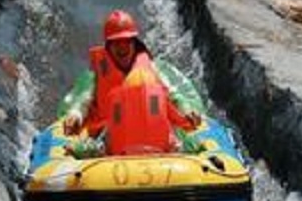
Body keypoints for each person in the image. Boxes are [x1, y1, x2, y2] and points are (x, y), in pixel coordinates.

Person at [63, 10, 201, 155]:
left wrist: (186, 110)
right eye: (116, 42)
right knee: (98, 142)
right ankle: (90, 150)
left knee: (179, 139)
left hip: (153, 133)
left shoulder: (151, 69)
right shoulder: (98, 72)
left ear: (134, 43)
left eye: (127, 41)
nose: (122, 47)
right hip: (111, 131)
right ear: (108, 46)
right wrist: (76, 114)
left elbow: (173, 95)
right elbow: (83, 99)